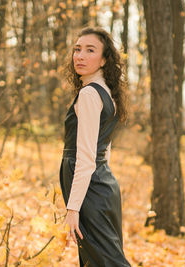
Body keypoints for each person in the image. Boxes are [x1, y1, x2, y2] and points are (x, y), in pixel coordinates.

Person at [59, 27, 131, 267]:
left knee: (108, 262)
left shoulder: (90, 94)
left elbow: (86, 157)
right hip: (103, 184)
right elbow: (104, 150)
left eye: (90, 50)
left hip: (91, 189)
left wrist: (72, 209)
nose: (80, 56)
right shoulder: (106, 92)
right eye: (77, 49)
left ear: (104, 59)